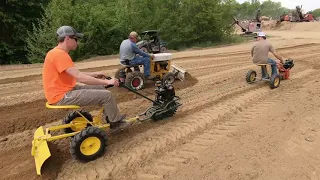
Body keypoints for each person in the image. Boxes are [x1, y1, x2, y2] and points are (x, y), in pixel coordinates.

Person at [42, 25, 131, 131]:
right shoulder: (60, 55)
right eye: (76, 39)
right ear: (67, 39)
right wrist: (106, 82)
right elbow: (80, 78)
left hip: (63, 91)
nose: (77, 42)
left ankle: (110, 117)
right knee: (107, 95)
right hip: (62, 96)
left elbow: (75, 73)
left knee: (101, 89)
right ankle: (115, 124)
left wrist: (94, 74)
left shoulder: (55, 53)